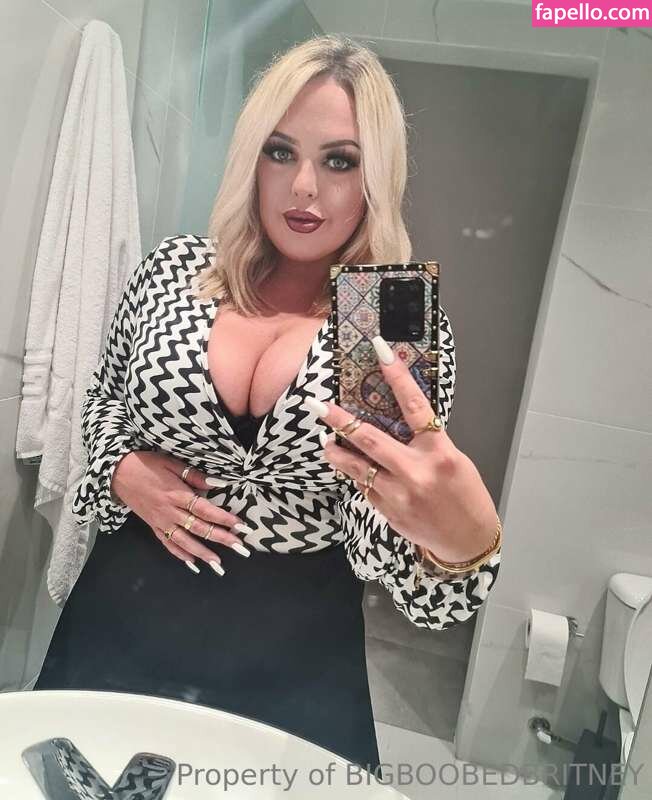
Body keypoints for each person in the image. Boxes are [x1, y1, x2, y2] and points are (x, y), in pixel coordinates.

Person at [34, 34, 502, 772]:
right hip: (123, 610)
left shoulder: (386, 312)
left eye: (339, 161)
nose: (303, 188)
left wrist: (459, 547)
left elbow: (382, 543)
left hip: (292, 656)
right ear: (251, 158)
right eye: (281, 152)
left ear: (376, 176)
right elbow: (103, 401)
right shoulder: (176, 270)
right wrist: (122, 470)